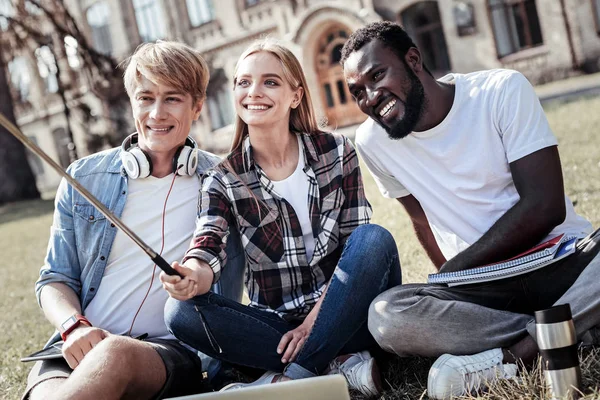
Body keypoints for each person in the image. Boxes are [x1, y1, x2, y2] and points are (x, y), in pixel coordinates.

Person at [341, 21, 600, 399]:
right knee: (386, 316)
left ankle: (516, 355)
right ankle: (573, 323)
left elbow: (544, 206)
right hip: (483, 293)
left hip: (560, 261)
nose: (370, 97)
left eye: (377, 75)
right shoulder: (372, 141)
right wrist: (450, 286)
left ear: (413, 59)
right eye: (357, 92)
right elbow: (420, 219)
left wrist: (454, 270)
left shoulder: (500, 90)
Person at [160, 40, 402, 397]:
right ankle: (337, 365)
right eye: (243, 82)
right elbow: (207, 244)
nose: (253, 92)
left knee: (373, 239)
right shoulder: (224, 179)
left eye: (270, 82)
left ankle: (293, 381)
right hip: (276, 328)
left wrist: (313, 324)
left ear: (295, 95)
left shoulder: (337, 152)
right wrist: (191, 275)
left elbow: (358, 247)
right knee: (179, 312)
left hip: (347, 311)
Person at [23, 41, 246, 400]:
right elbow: (54, 279)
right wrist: (73, 325)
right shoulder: (84, 176)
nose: (156, 113)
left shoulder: (227, 181)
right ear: (132, 104)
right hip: (76, 348)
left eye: (172, 98)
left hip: (169, 353)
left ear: (198, 107)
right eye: (146, 98)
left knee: (116, 355)